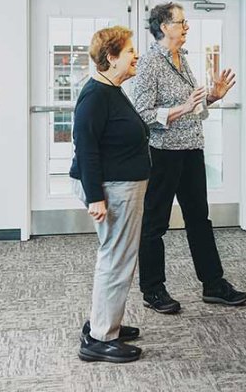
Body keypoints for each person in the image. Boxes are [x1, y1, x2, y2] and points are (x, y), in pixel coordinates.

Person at [133, 2, 246, 314]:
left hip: (192, 150)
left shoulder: (182, 59)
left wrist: (212, 96)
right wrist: (182, 109)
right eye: (181, 22)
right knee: (155, 224)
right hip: (163, 154)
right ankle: (153, 289)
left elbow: (194, 106)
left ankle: (214, 284)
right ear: (163, 26)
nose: (186, 27)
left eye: (185, 22)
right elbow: (141, 114)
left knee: (199, 219)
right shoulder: (149, 63)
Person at [69, 26, 151, 363]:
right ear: (112, 57)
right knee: (116, 258)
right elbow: (85, 148)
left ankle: (105, 323)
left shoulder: (112, 89)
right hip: (111, 189)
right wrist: (95, 198)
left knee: (115, 256)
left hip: (120, 186)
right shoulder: (96, 95)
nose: (136, 56)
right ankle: (101, 338)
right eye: (130, 50)